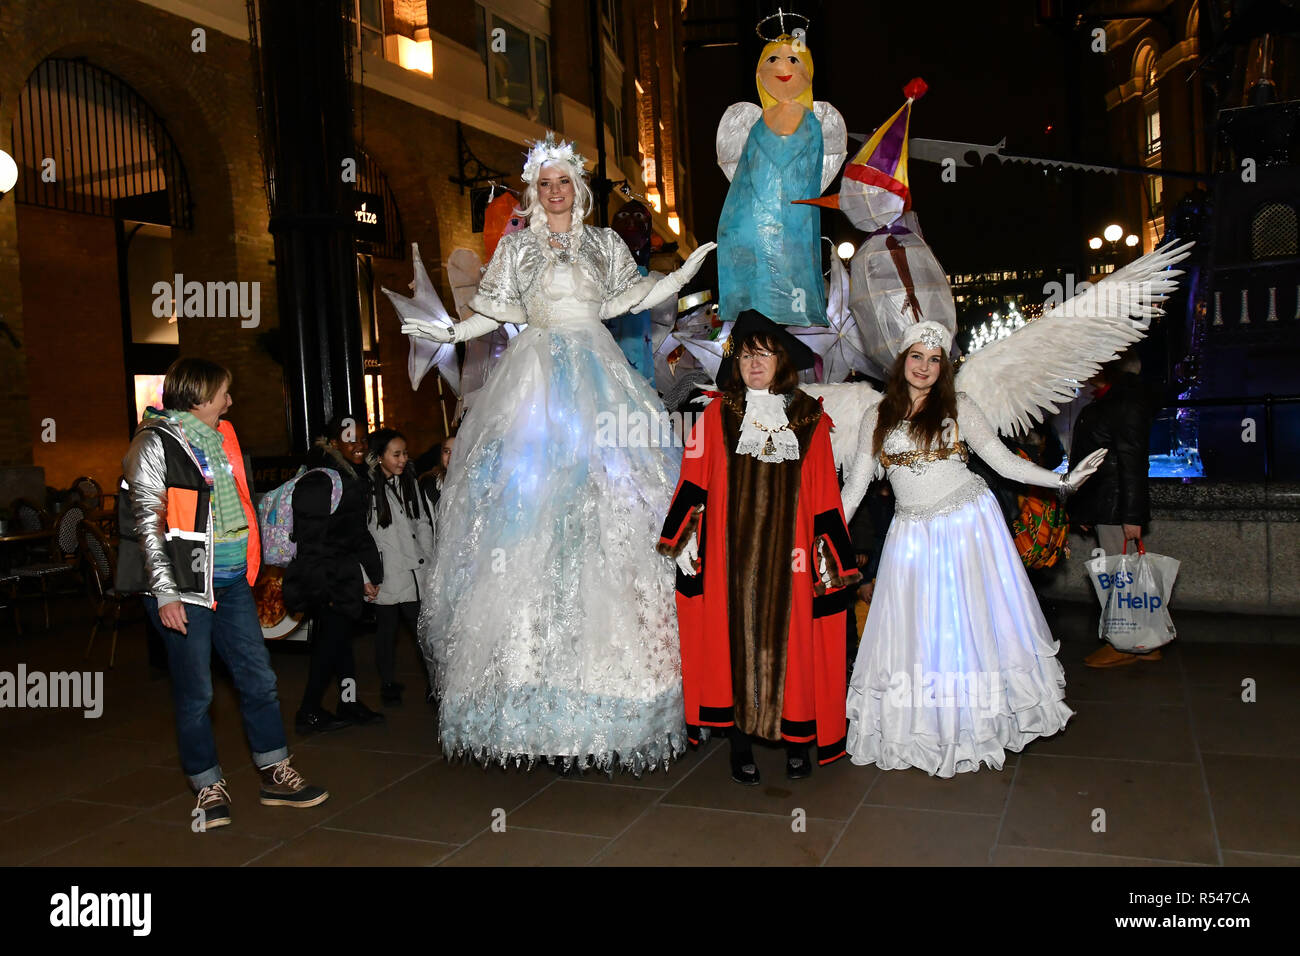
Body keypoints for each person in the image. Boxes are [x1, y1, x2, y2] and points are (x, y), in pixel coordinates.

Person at [398, 133, 716, 774]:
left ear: (578, 187)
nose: (553, 191)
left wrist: (681, 276)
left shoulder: (603, 245)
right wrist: (449, 333)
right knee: (525, 521)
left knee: (614, 513)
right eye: (543, 183)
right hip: (534, 385)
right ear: (532, 192)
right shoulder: (516, 248)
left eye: (562, 181)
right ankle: (529, 704)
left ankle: (617, 698)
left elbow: (630, 298)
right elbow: (494, 311)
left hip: (598, 376)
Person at [837, 322, 1107, 777]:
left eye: (934, 358)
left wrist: (1063, 481)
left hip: (968, 524)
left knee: (974, 623)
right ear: (902, 361)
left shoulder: (960, 406)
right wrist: (818, 533)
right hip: (913, 535)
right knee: (921, 631)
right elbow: (856, 486)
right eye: (916, 356)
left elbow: (1002, 461)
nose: (924, 366)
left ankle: (979, 722)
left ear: (943, 366)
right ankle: (929, 726)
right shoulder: (875, 417)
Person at [117, 358, 327, 830]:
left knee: (259, 679)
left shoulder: (222, 436)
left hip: (232, 580)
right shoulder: (153, 444)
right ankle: (207, 784)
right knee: (197, 693)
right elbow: (147, 527)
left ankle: (275, 771)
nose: (230, 401)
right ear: (198, 397)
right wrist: (167, 594)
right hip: (187, 585)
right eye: (223, 393)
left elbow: (238, 506)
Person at [658, 310, 861, 785]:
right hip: (730, 558)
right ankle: (741, 745)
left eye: (765, 354)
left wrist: (826, 557)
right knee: (732, 647)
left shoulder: (808, 416)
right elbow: (694, 478)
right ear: (737, 361)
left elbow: (824, 492)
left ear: (780, 361)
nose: (755, 363)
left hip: (790, 560)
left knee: (794, 647)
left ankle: (796, 744)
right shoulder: (716, 413)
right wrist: (685, 540)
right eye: (748, 354)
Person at [715, 29, 845, 327]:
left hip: (792, 228)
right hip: (751, 226)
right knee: (758, 307)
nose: (782, 67)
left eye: (793, 60)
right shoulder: (756, 123)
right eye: (772, 59)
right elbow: (744, 178)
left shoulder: (811, 121)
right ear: (760, 72)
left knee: (789, 306)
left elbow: (807, 176)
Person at [284, 416, 386, 733]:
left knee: (341, 643)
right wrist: (322, 586)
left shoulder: (350, 476)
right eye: (349, 438)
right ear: (332, 442)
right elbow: (311, 540)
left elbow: (354, 532)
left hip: (342, 573)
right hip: (328, 576)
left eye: (363, 439)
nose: (359, 445)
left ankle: (348, 702)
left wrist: (370, 571)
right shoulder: (323, 480)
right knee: (330, 644)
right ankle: (309, 710)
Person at [1068, 351, 1159, 667]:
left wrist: (1131, 517)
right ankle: (1145, 641)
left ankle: (1125, 645)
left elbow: (1132, 463)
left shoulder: (1124, 401)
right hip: (1108, 503)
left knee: (1119, 577)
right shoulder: (1116, 398)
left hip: (1115, 506)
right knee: (1126, 576)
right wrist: (1085, 509)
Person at [365, 428, 435, 705]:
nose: (403, 459)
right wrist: (366, 575)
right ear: (379, 456)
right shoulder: (368, 488)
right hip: (387, 573)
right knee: (386, 632)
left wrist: (426, 553)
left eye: (405, 453)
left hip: (414, 569)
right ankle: (388, 684)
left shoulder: (408, 482)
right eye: (396, 454)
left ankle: (434, 684)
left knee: (422, 633)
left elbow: (422, 521)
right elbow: (363, 535)